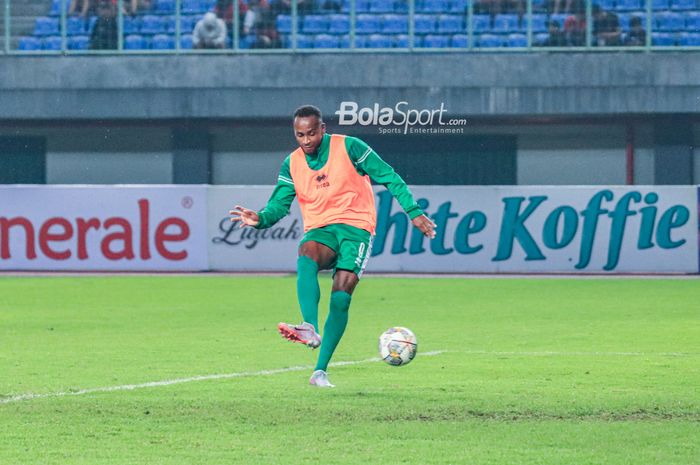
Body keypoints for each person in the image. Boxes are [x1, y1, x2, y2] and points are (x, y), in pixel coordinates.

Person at [229, 105, 436, 388]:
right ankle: (309, 328)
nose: (305, 140)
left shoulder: (350, 147)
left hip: (356, 229)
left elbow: (388, 175)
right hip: (321, 229)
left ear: (323, 129)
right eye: (299, 134)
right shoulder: (292, 163)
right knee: (306, 253)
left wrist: (413, 211)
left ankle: (320, 371)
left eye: (311, 133)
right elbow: (279, 204)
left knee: (341, 297)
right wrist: (261, 218)